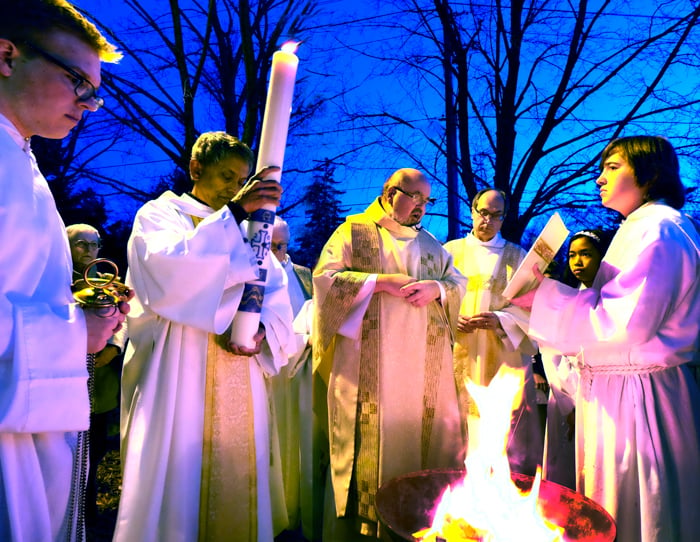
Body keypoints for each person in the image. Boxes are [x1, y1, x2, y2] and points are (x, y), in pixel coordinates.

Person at [513, 136, 700, 542]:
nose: (599, 178)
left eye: (613, 167)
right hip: (622, 390)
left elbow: (625, 321)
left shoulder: (660, 229)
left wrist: (543, 297)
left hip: (640, 398)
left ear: (649, 173)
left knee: (637, 514)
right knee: (613, 506)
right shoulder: (638, 227)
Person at [114, 131, 296, 542]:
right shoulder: (160, 215)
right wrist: (234, 211)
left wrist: (264, 328)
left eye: (241, 180)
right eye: (226, 176)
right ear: (196, 169)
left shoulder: (252, 230)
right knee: (179, 484)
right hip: (178, 371)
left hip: (239, 372)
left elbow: (277, 290)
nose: (235, 188)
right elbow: (166, 272)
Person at [0, 2, 128, 540]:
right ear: (7, 55)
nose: (89, 105)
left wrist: (77, 314)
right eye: (78, 81)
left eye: (94, 91)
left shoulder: (20, 158)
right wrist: (76, 332)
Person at [313, 168, 467, 540]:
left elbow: (456, 282)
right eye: (414, 197)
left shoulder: (431, 245)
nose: (421, 207)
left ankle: (420, 525)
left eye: (427, 200)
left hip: (422, 374)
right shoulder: (354, 232)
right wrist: (380, 283)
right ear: (389, 191)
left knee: (422, 442)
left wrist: (437, 288)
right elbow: (324, 280)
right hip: (369, 370)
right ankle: (365, 530)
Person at [443, 188, 543, 476]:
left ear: (504, 218)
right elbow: (432, 300)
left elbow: (533, 305)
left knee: (500, 425)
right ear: (473, 212)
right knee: (458, 424)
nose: (488, 220)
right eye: (483, 213)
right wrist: (450, 318)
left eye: (496, 215)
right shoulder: (448, 252)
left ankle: (502, 487)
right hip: (457, 350)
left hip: (502, 353)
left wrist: (501, 320)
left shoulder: (518, 256)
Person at [539, 229, 611, 489]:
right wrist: (570, 404)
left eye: (586, 254)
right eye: (572, 255)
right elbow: (552, 355)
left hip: (606, 395)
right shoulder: (568, 299)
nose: (577, 262)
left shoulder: (615, 298)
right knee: (570, 469)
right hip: (567, 394)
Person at [66, 224, 128, 524]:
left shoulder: (107, 281)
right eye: (82, 244)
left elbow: (126, 318)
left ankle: (88, 516)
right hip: (66, 382)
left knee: (96, 450)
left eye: (95, 244)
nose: (90, 250)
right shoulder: (59, 279)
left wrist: (114, 346)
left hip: (99, 386)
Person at [267, 216, 316, 537]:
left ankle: (300, 508)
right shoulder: (250, 277)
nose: (278, 253)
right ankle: (271, 511)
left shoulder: (302, 275)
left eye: (282, 245)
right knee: (272, 442)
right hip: (267, 376)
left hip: (299, 376)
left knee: (300, 443)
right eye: (269, 246)